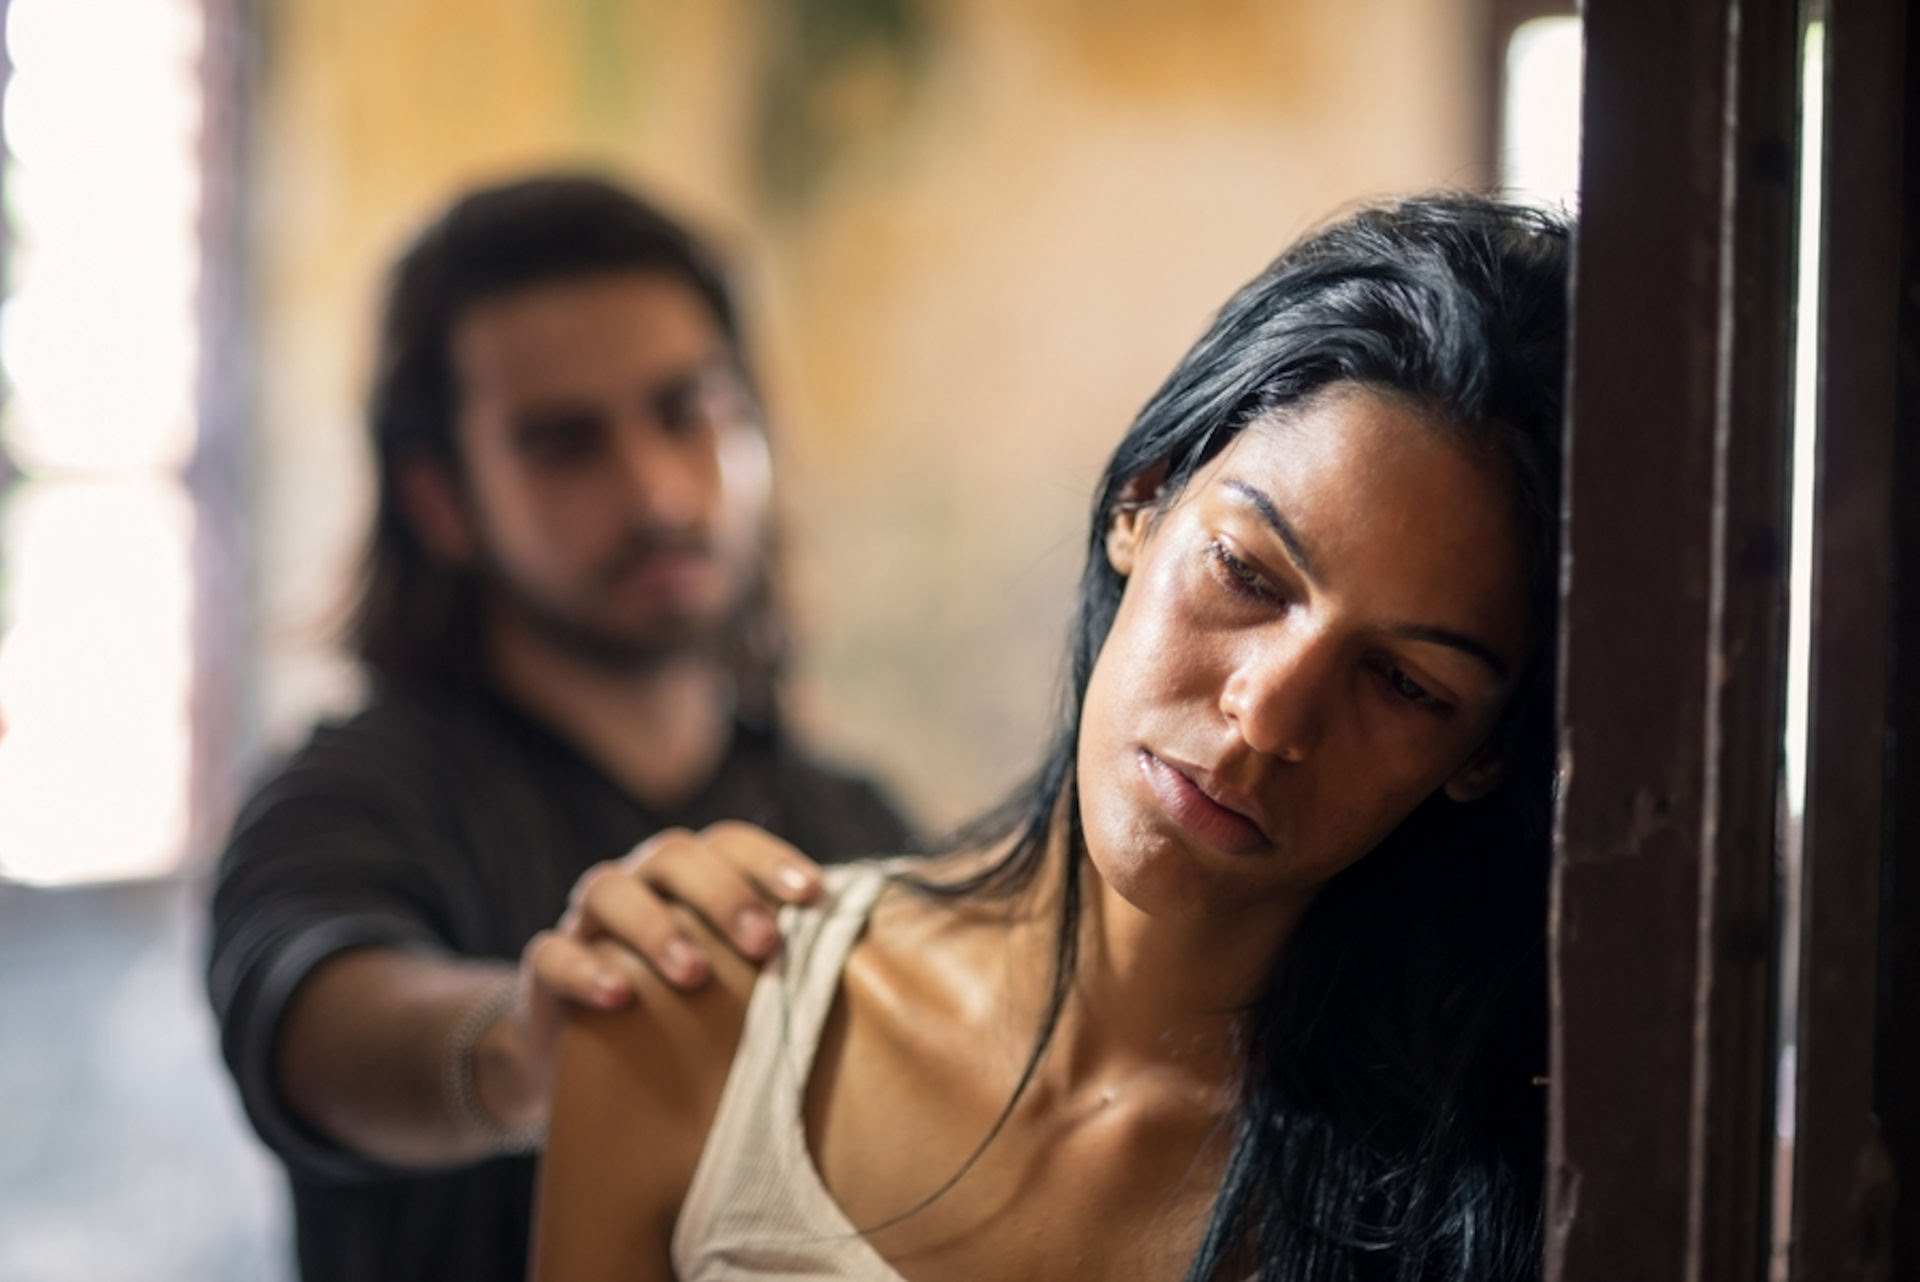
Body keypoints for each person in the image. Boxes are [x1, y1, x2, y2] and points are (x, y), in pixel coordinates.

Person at [533, 193, 1568, 1282]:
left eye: (1404, 684)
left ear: (1483, 753)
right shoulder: (693, 1014)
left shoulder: (1496, 1204)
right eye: (1247, 573)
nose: (1267, 716)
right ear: (1141, 503)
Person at [206, 174, 915, 1282]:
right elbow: (312, 1023)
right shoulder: (347, 797)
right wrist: (528, 1047)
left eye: (687, 412)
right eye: (565, 444)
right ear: (440, 500)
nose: (658, 493)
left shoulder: (856, 823)